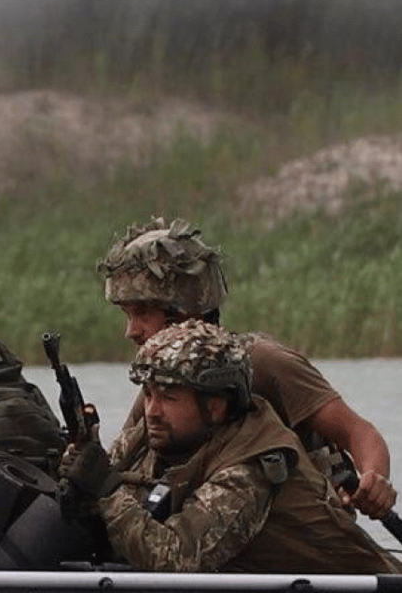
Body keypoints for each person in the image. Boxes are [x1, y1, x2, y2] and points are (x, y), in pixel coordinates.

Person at [98, 217, 396, 519]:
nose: (131, 331)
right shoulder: (162, 392)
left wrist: (375, 480)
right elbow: (118, 466)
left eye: (142, 313)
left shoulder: (263, 363)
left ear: (189, 312)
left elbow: (359, 432)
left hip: (299, 534)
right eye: (127, 315)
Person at [60, 320, 402, 573]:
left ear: (216, 406)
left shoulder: (253, 463)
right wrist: (78, 474)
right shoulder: (158, 436)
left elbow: (175, 559)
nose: (152, 411)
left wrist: (106, 490)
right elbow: (108, 490)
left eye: (168, 397)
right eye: (148, 394)